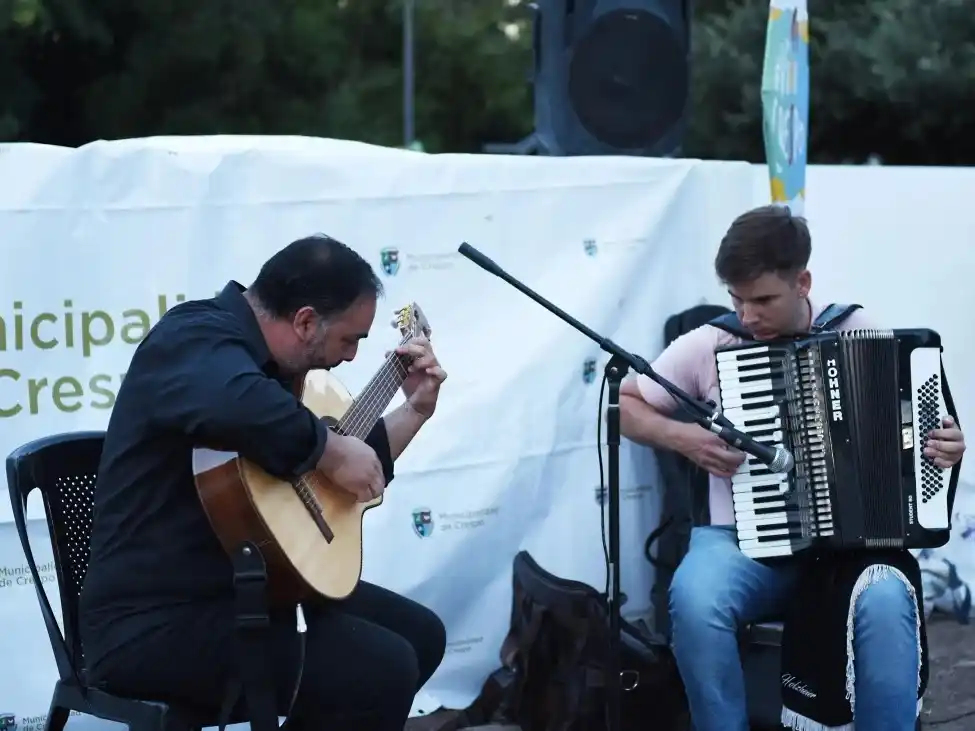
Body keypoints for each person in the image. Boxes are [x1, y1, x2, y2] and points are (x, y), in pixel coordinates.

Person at [79, 235, 448, 731]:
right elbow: (242, 404)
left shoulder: (281, 373)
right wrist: (331, 450)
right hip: (153, 622)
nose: (353, 356)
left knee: (420, 635)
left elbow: (345, 468)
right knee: (379, 669)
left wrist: (414, 411)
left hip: (248, 590)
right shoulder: (192, 338)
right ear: (305, 321)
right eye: (349, 339)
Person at [619, 205, 966, 731]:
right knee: (695, 598)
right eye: (736, 299)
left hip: (847, 552)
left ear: (802, 282)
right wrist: (685, 438)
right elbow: (625, 405)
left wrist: (944, 445)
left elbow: (914, 434)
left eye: (762, 300)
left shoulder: (859, 330)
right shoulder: (712, 343)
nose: (746, 315)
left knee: (889, 595)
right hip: (738, 543)